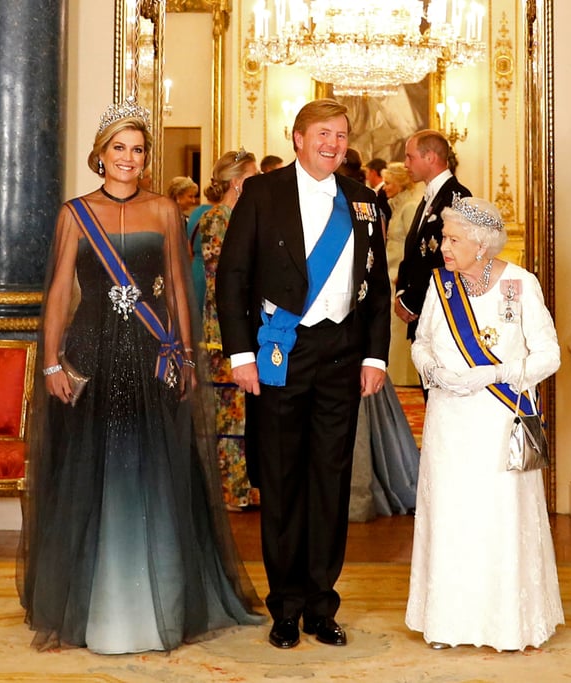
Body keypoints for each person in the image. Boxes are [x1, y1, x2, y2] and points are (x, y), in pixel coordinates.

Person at [18, 100, 263, 654]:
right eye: (118, 148)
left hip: (152, 358)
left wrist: (181, 353)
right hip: (91, 357)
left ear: (146, 158)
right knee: (91, 475)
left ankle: (156, 606)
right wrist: (53, 360)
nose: (128, 158)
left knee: (153, 474)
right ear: (99, 156)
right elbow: (59, 293)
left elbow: (179, 285)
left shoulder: (164, 212)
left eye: (137, 149)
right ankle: (91, 607)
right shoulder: (74, 213)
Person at [216, 98, 391, 650]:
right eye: (322, 133)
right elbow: (233, 278)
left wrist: (375, 356)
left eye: (340, 135)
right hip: (280, 353)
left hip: (342, 353)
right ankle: (285, 606)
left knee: (330, 480)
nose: (333, 143)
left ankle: (321, 602)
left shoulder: (363, 201)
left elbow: (378, 287)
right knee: (285, 479)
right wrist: (241, 355)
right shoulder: (261, 194)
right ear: (296, 138)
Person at [406, 196, 564, 651]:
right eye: (444, 238)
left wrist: (493, 374)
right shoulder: (442, 285)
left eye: (453, 240)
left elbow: (548, 356)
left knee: (497, 516)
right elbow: (422, 342)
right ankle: (447, 623)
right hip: (449, 420)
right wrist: (432, 370)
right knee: (452, 515)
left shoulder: (518, 284)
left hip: (497, 419)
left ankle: (507, 625)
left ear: (481, 244)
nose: (443, 248)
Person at [200, 148, 261, 511]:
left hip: (242, 323)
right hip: (219, 328)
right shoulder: (215, 220)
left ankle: (245, 483)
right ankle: (228, 488)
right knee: (227, 414)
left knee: (241, 411)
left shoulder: (239, 217)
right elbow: (218, 279)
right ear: (238, 183)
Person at [396, 130, 471, 344]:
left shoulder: (458, 197)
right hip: (422, 315)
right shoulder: (430, 196)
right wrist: (402, 293)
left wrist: (411, 302)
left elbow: (450, 261)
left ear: (430, 157)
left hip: (441, 318)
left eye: (410, 157)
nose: (405, 164)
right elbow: (412, 251)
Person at [382, 162, 424, 386]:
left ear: (399, 182)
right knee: (393, 325)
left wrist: (403, 275)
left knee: (399, 326)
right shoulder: (398, 206)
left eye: (388, 182)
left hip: (398, 269)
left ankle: (405, 375)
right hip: (390, 266)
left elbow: (413, 244)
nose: (385, 187)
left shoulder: (409, 207)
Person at [365, 157, 392, 224]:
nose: (366, 177)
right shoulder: (379, 192)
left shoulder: (384, 193)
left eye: (367, 172)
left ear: (373, 173)